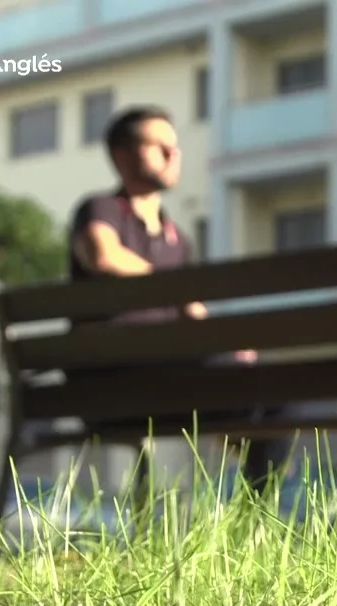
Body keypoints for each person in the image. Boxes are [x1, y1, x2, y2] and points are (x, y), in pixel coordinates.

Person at [68, 106, 280, 492]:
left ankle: (260, 522)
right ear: (122, 155)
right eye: (160, 145)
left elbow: (193, 311)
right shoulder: (101, 209)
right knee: (271, 396)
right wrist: (170, 284)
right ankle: (257, 516)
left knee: (280, 396)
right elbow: (102, 254)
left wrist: (231, 346)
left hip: (169, 379)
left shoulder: (178, 239)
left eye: (175, 146)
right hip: (114, 385)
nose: (174, 154)